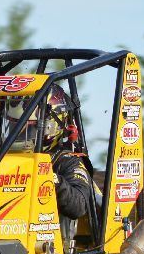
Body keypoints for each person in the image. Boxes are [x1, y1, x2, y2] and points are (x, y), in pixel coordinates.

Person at [7, 84, 92, 221]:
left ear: (51, 127)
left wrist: (51, 179)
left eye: (29, 129)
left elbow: (79, 206)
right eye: (14, 127)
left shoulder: (67, 161)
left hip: (51, 238)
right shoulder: (3, 158)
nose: (20, 135)